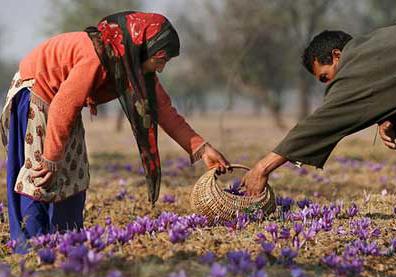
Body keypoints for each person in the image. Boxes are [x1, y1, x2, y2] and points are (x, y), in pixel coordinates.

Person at [0, 11, 229, 252]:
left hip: (60, 105)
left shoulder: (133, 65)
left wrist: (202, 149)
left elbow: (164, 111)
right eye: (160, 59)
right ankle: (31, 246)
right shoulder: (96, 57)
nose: (160, 68)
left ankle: (65, 243)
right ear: (144, 48)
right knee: (41, 176)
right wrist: (50, 159)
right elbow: (62, 105)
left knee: (74, 173)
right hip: (37, 94)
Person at [242, 18, 396, 229]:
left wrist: (262, 168)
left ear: (337, 55)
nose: (330, 86)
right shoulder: (379, 45)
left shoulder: (358, 65)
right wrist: (388, 112)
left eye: (325, 77)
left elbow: (321, 124)